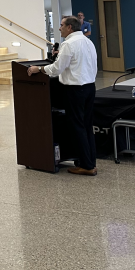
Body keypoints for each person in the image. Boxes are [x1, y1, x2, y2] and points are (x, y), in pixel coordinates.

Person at [27, 16, 99, 176]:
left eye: (61, 25)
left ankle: (86, 165)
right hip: (89, 87)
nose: (59, 28)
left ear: (69, 28)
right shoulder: (88, 42)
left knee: (78, 126)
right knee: (87, 126)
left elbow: (57, 69)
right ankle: (90, 161)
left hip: (75, 89)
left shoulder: (69, 44)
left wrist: (39, 69)